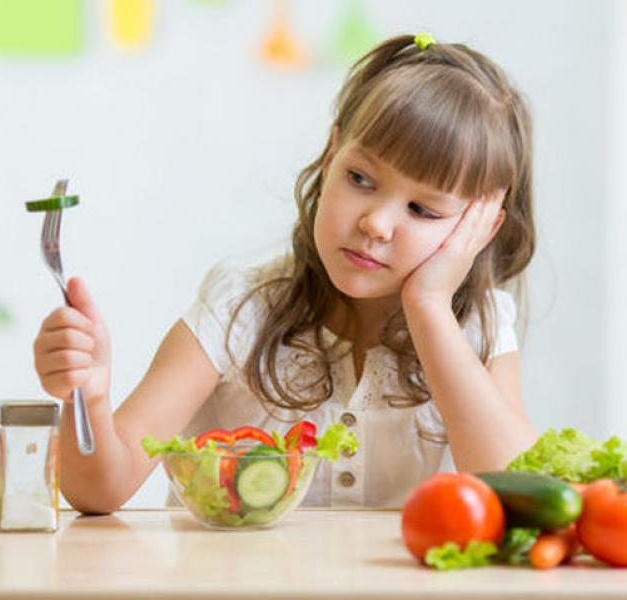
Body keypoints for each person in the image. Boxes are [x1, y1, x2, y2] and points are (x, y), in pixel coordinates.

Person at [33, 33, 538, 514]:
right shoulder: (239, 308)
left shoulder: (481, 326)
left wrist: (429, 308)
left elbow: (520, 495)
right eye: (359, 178)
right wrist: (89, 398)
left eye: (422, 210)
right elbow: (100, 489)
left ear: (478, 228)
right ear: (331, 154)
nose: (376, 224)